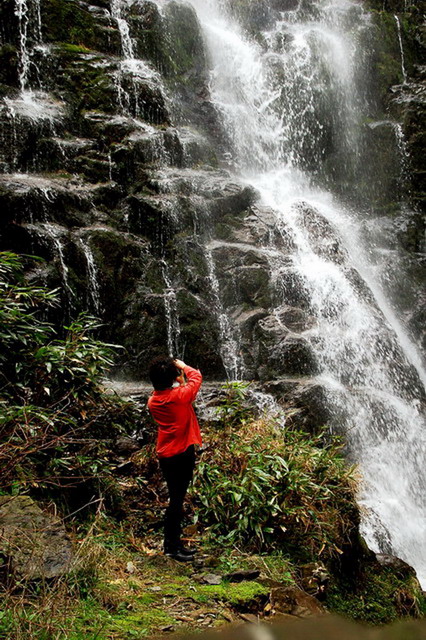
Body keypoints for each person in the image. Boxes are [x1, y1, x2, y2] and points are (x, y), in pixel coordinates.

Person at [147, 356, 202, 561]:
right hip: (182, 453)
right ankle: (171, 547)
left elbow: (179, 393)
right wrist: (183, 366)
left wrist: (178, 381)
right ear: (172, 378)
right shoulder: (180, 396)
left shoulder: (154, 400)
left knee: (176, 498)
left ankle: (175, 544)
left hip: (166, 453)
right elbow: (196, 377)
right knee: (177, 501)